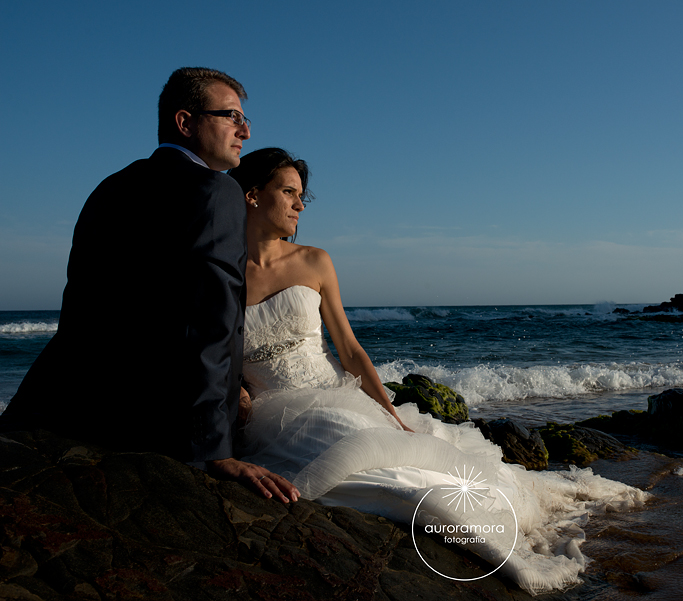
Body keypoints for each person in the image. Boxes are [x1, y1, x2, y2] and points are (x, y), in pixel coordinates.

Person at [228, 148, 649, 595]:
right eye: (289, 192)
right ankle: (490, 547)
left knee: (399, 458)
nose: (300, 204)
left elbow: (349, 350)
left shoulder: (314, 261)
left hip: (331, 393)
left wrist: (388, 409)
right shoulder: (223, 276)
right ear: (253, 195)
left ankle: (495, 538)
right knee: (387, 484)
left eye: (301, 195)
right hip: (274, 415)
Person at [0, 68, 297, 503]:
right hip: (158, 426)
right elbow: (212, 323)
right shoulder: (218, 192)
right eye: (231, 116)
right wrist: (214, 449)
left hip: (68, 406)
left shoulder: (109, 187)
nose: (245, 132)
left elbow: (80, 305)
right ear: (185, 122)